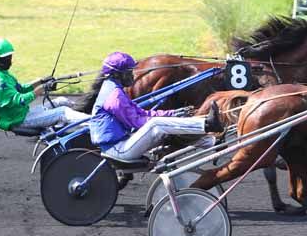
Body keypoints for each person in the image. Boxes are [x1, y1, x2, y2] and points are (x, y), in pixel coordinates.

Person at [90, 51, 223, 161]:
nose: (132, 75)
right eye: (128, 72)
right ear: (117, 74)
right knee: (156, 125)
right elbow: (136, 122)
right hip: (117, 149)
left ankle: (211, 142)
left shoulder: (115, 89)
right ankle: (206, 124)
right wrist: (168, 121)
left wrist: (172, 114)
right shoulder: (114, 96)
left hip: (123, 143)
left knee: (166, 129)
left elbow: (142, 113)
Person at [0, 37, 90, 132]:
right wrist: (42, 88)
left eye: (9, 57)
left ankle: (83, 117)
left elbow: (20, 88)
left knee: (62, 101)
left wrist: (41, 81)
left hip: (21, 113)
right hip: (16, 120)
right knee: (62, 112)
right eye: (5, 58)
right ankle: (97, 123)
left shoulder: (1, 73)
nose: (9, 60)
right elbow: (20, 100)